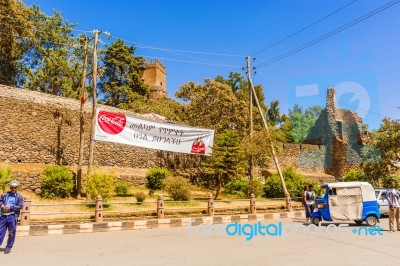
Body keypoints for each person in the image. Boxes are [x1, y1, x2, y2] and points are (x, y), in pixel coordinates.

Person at [0, 180, 24, 254]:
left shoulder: (19, 197)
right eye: (12, 187)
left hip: (12, 216)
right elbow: (0, 201)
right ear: (10, 187)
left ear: (17, 188)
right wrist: (2, 205)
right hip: (3, 216)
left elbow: (20, 206)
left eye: (15, 187)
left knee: (11, 233)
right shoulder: (4, 194)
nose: (13, 189)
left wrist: (10, 207)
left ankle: (8, 247)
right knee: (0, 232)